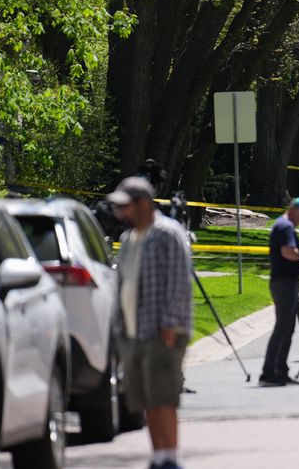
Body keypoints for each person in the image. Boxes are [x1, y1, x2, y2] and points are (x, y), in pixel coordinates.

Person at [108, 176, 193, 469]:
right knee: (145, 399)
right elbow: (123, 285)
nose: (121, 213)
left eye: (126, 206)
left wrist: (169, 325)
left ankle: (171, 457)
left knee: (163, 398)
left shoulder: (168, 233)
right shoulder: (128, 240)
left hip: (162, 332)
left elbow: (180, 282)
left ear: (144, 204)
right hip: (133, 332)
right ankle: (158, 456)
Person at [261, 197, 299, 386]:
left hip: (286, 282)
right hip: (284, 282)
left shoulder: (283, 225)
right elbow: (288, 251)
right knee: (283, 327)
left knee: (287, 327)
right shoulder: (285, 227)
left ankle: (280, 370)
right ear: (297, 211)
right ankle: (269, 372)